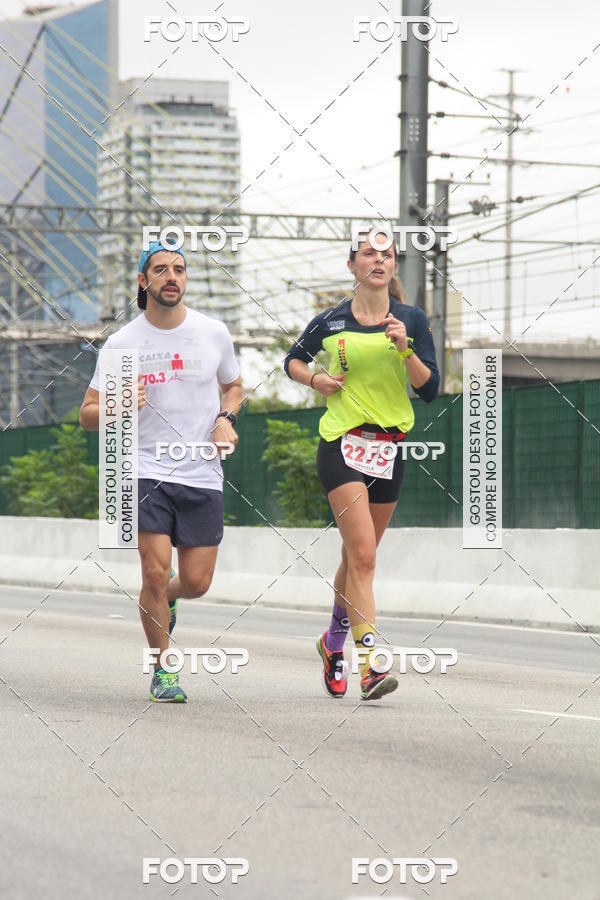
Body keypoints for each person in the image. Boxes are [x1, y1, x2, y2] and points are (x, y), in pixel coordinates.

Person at [80, 240, 242, 703]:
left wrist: (225, 420)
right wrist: (118, 403)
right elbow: (87, 414)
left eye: (179, 269)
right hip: (142, 470)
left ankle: (168, 598)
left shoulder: (212, 332)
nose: (171, 277)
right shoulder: (122, 343)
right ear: (143, 280)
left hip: (201, 472)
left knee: (196, 582)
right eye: (160, 269)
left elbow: (233, 387)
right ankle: (163, 670)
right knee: (153, 572)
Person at [284, 228, 439, 701]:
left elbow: (430, 388)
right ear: (352, 265)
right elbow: (292, 360)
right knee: (365, 556)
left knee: (356, 557)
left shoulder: (411, 318)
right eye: (368, 253)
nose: (378, 260)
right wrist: (318, 381)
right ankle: (370, 662)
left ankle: (332, 641)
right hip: (342, 445)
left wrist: (405, 348)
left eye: (387, 254)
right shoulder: (330, 322)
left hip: (389, 449)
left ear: (394, 267)